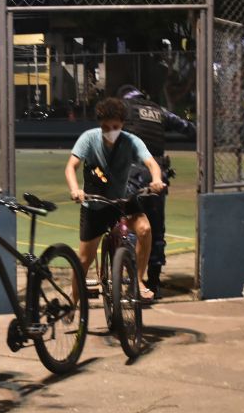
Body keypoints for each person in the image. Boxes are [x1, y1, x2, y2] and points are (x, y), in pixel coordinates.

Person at [64, 97, 166, 304]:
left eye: (115, 127)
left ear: (122, 124)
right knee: (84, 260)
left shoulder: (131, 141)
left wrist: (156, 179)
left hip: (121, 200)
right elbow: (71, 167)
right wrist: (75, 189)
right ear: (99, 124)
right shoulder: (88, 139)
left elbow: (152, 164)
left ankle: (137, 280)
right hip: (95, 203)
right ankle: (72, 304)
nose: (110, 131)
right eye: (105, 127)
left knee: (145, 229)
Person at [116, 85, 196, 296]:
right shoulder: (159, 111)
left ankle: (131, 277)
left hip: (130, 174)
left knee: (131, 224)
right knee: (156, 229)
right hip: (156, 176)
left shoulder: (122, 107)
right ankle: (154, 281)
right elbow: (187, 127)